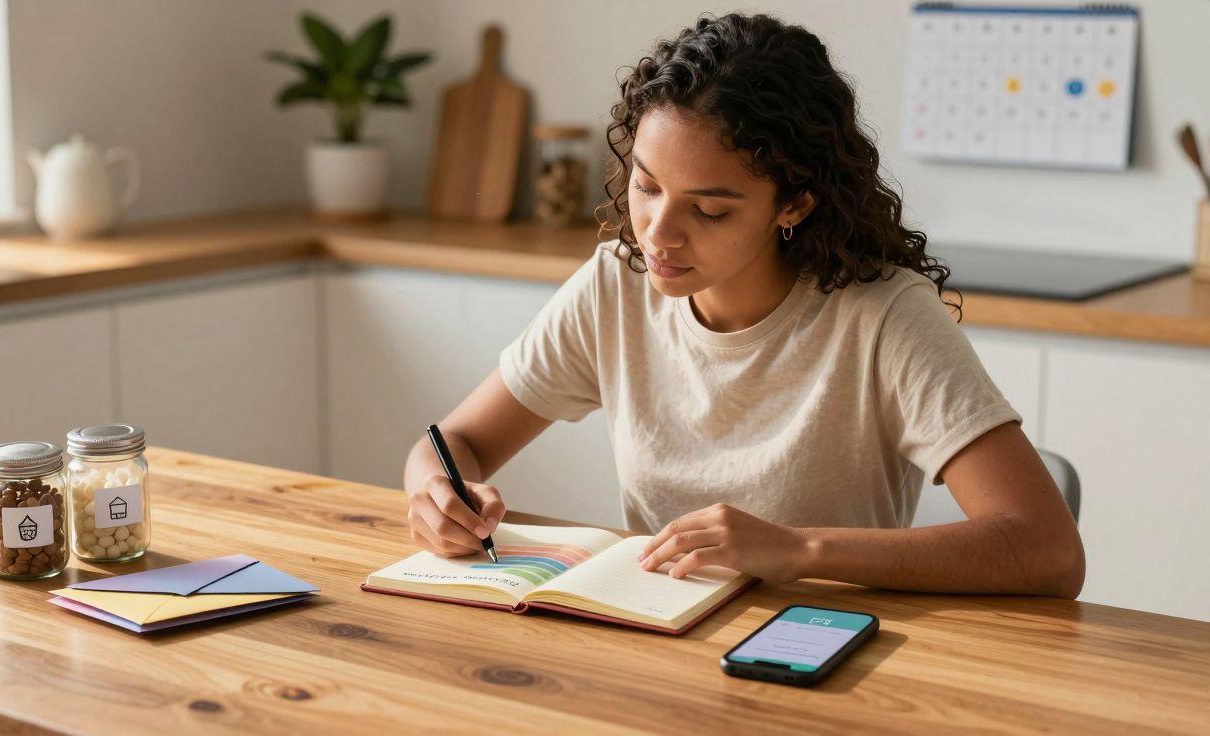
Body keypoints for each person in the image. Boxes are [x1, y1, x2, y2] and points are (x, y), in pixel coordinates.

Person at [401, 12, 1084, 598]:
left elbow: (1048, 550)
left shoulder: (883, 318)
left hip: (819, 653)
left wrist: (798, 551)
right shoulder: (616, 284)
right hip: (659, 638)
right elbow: (453, 444)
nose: (657, 233)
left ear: (795, 203)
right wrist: (435, 492)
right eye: (646, 186)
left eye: (708, 209)